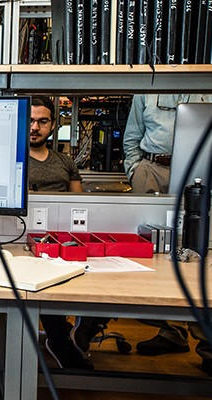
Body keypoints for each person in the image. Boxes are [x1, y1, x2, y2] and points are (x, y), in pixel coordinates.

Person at [123, 94, 212, 374]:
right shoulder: (145, 91)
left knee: (201, 249)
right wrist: (135, 170)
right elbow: (132, 135)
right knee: (155, 252)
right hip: (153, 169)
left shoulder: (203, 81)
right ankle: (170, 331)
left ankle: (207, 343)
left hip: (200, 166)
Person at [28, 96, 108, 369]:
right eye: (29, 120)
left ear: (52, 125)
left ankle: (75, 333)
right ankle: (60, 342)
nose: (35, 127)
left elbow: (80, 205)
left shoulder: (64, 161)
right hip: (27, 238)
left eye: (42, 121)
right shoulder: (11, 159)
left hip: (63, 238)